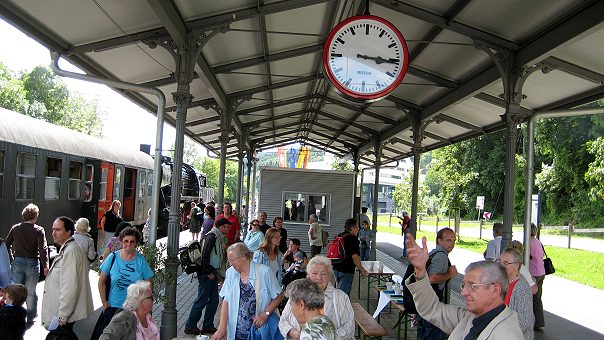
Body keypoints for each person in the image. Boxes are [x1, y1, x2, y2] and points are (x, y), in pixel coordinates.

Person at [404, 233, 523, 339]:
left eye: (472, 286)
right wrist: (420, 271)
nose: (463, 293)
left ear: (495, 290)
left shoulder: (506, 334)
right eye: (464, 285)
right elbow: (431, 309)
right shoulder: (470, 317)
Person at [92, 227, 154, 340]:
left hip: (134, 310)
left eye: (132, 241)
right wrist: (105, 303)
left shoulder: (141, 261)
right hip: (113, 308)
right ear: (121, 242)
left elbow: (148, 286)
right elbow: (101, 281)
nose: (128, 244)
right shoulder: (113, 257)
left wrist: (145, 309)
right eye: (126, 241)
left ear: (136, 243)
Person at [211, 243, 283, 340]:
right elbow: (226, 301)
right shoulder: (231, 272)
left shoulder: (264, 272)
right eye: (229, 261)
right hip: (235, 331)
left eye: (232, 260)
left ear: (244, 257)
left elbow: (279, 296)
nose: (230, 264)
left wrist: (265, 313)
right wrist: (222, 328)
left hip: (257, 331)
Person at [279, 255, 355, 340]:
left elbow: (349, 328)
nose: (319, 278)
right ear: (307, 275)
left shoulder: (341, 297)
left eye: (323, 274)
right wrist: (295, 333)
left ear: (329, 276)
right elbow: (283, 320)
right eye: (315, 273)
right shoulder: (297, 293)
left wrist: (321, 336)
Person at [42, 216, 94, 334]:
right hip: (64, 314)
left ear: (68, 232)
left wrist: (63, 315)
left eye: (58, 230)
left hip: (64, 316)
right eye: (53, 229)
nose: (53, 233)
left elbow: (69, 286)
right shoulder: (68, 249)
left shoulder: (71, 251)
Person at [184, 217, 232, 335]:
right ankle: (190, 326)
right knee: (202, 300)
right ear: (221, 227)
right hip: (207, 274)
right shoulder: (212, 237)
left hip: (212, 272)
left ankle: (208, 325)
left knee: (214, 301)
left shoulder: (217, 237)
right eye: (227, 227)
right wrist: (208, 272)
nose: (229, 229)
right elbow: (205, 256)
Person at [5, 203, 48, 324]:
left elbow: (7, 244)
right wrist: (45, 265)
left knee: (15, 290)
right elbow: (42, 249)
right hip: (32, 262)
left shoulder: (15, 228)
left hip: (17, 261)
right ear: (35, 216)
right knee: (31, 291)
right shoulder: (39, 230)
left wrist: (11, 258)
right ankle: (30, 316)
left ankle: (13, 314)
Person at [416, 227, 458, 340]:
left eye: (454, 241)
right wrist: (450, 274)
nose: (452, 244)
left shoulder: (433, 253)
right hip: (434, 308)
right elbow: (432, 278)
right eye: (449, 240)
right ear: (439, 241)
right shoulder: (441, 256)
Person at [499, 248, 534, 340]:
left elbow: (525, 322)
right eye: (499, 261)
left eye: (505, 263)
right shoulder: (502, 281)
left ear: (516, 266)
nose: (500, 266)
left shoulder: (522, 288)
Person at [332, 218, 368, 296]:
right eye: (357, 227)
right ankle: (341, 307)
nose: (358, 229)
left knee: (338, 292)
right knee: (343, 295)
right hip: (346, 270)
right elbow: (355, 257)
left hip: (336, 267)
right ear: (352, 228)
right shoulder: (352, 239)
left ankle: (337, 306)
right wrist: (362, 269)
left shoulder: (339, 235)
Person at [529, 223, 546, 333]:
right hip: (541, 272)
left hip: (532, 273)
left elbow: (523, 256)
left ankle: (526, 322)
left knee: (526, 298)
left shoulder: (528, 242)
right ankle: (540, 324)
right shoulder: (538, 242)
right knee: (537, 299)